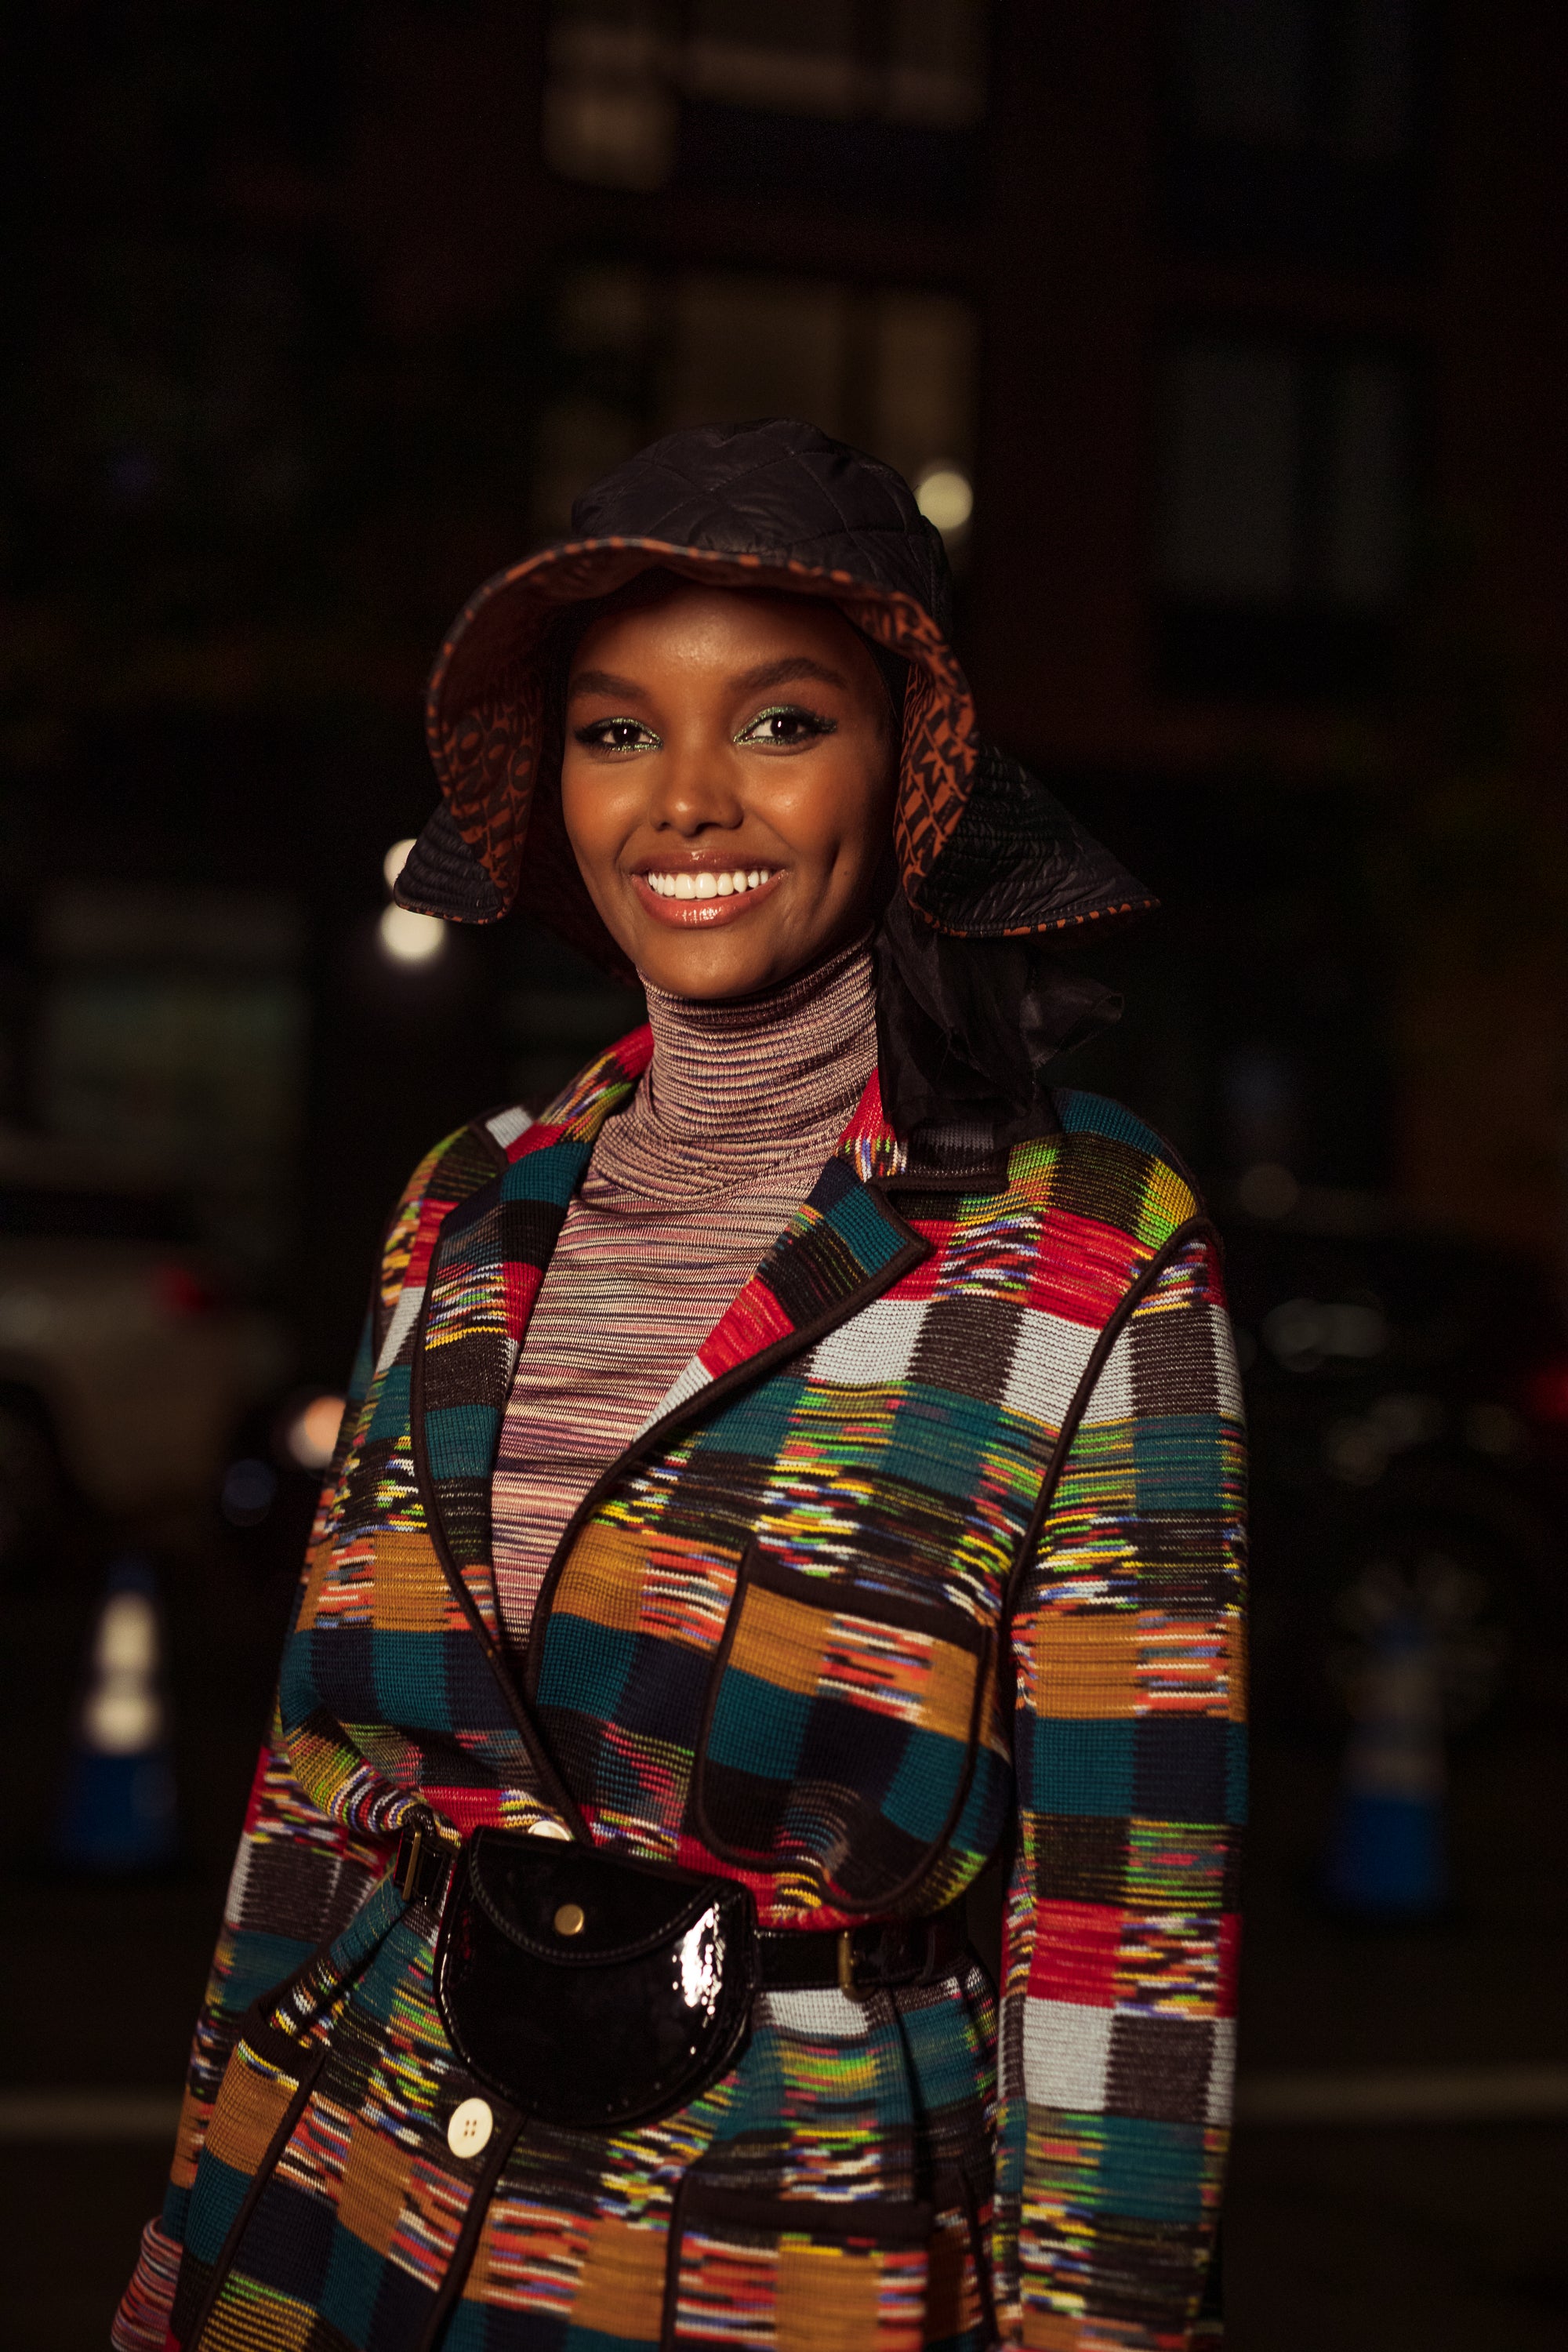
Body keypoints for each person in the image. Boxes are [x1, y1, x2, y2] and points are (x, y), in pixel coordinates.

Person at [115, 419, 1243, 2352]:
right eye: (618, 729)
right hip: (350, 2201)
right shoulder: (465, 1207)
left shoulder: (1085, 1250)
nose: (687, 802)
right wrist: (188, 2265)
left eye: (781, 723)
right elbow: (314, 1792)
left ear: (912, 770)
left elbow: (1125, 1952)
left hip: (774, 2253)